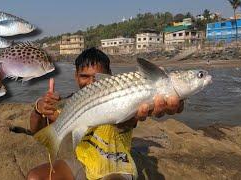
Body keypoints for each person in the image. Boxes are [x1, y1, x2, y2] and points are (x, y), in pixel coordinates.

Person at [27, 47, 183, 180]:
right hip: (84, 162)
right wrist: (38, 108)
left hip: (116, 166)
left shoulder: (124, 96)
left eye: (97, 77)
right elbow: (37, 131)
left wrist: (167, 92)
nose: (91, 82)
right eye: (84, 76)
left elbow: (128, 121)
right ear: (76, 77)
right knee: (34, 177)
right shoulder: (71, 103)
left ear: (109, 75)